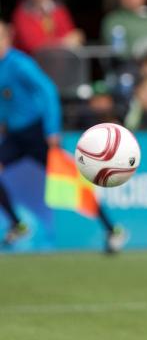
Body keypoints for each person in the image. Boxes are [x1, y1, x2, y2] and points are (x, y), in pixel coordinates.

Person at [0, 20, 126, 253]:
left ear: (7, 39)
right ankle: (17, 225)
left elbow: (47, 91)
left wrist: (52, 130)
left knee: (74, 181)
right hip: (16, 136)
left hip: (38, 133)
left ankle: (112, 229)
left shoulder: (19, 64)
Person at [11, 0, 84, 55]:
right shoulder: (21, 14)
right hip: (33, 65)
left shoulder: (59, 10)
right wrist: (64, 43)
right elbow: (34, 46)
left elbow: (73, 36)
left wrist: (72, 39)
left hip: (59, 63)